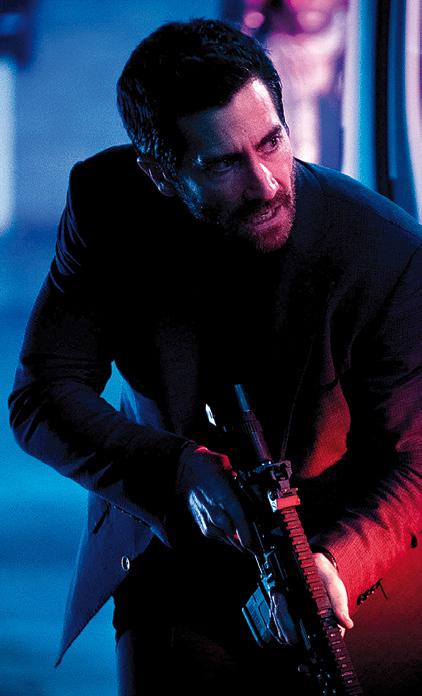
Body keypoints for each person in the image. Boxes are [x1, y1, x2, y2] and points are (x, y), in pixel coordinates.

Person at [8, 18, 422, 695]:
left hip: (337, 563)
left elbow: (415, 462)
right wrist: (175, 471)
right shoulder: (109, 203)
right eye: (223, 163)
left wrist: (333, 564)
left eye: (272, 143)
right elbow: (41, 395)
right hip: (169, 540)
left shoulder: (385, 253)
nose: (265, 184)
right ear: (159, 172)